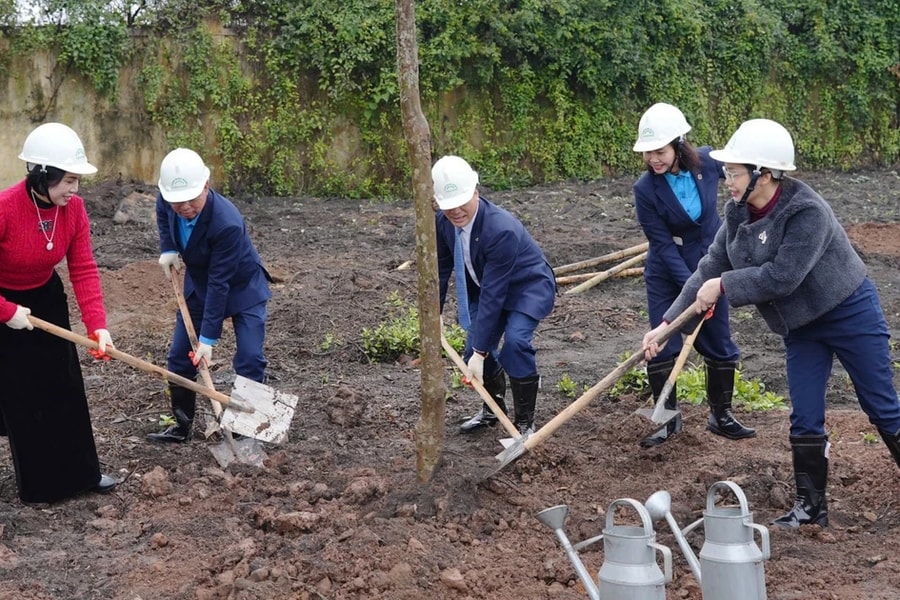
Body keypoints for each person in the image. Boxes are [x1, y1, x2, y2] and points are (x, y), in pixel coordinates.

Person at [642, 118, 900, 528]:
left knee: (880, 405)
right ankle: (811, 509)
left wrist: (722, 286)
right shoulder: (737, 212)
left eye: (735, 172)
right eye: (727, 171)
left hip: (848, 312)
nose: (726, 180)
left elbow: (783, 276)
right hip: (801, 328)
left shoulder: (806, 211)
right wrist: (667, 323)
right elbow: (710, 264)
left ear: (763, 174)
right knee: (805, 414)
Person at [0, 122, 118, 503]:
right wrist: (5, 312)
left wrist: (98, 326)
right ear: (41, 174)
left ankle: (83, 474)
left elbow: (83, 269)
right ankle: (43, 486)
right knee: (22, 394)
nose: (75, 190)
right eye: (68, 180)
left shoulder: (75, 211)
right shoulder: (5, 208)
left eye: (77, 181)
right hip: (5, 306)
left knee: (64, 385)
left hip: (46, 300)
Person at [632, 103, 755, 448]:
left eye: (659, 151)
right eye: (648, 153)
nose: (653, 159)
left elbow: (740, 169)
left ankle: (721, 416)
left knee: (718, 341)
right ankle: (666, 421)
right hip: (668, 269)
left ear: (678, 145)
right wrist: (694, 288)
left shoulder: (706, 162)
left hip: (713, 260)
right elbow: (661, 244)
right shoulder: (645, 190)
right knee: (662, 342)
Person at [148, 148, 273, 443]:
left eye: (192, 198)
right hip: (199, 283)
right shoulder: (169, 201)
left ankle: (252, 430)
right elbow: (163, 211)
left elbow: (221, 283)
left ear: (206, 186)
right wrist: (168, 247)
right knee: (179, 357)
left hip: (243, 286)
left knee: (250, 356)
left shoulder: (226, 222)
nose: (185, 206)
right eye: (178, 201)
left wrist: (207, 341)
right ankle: (181, 427)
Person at [433, 155, 556, 435]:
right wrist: (434, 314)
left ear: (476, 190)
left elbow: (494, 294)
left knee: (514, 343)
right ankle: (493, 409)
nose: (455, 212)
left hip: (527, 289)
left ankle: (525, 421)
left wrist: (481, 350)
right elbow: (440, 270)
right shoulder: (442, 223)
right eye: (448, 205)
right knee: (472, 350)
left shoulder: (501, 229)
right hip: (487, 288)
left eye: (461, 202)